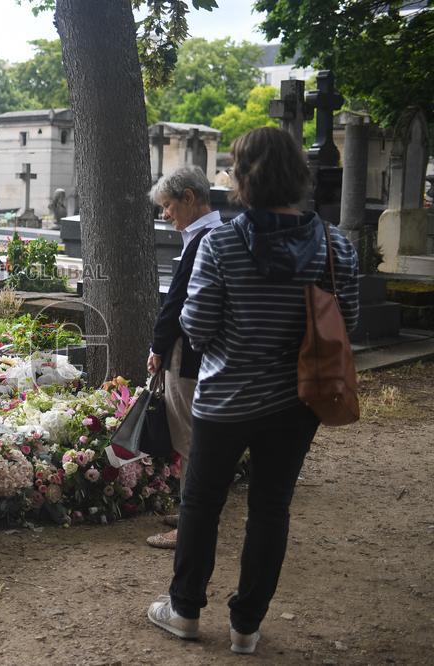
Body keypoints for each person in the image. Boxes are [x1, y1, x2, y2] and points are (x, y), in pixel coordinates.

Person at [146, 127, 359, 655]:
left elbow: (196, 328)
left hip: (225, 399)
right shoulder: (336, 245)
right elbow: (347, 321)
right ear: (298, 175)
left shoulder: (219, 243)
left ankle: (186, 610)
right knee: (271, 508)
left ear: (242, 178)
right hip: (298, 402)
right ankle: (246, 625)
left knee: (201, 502)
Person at [146, 166, 223, 550]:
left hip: (189, 355)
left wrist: (157, 348)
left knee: (190, 438)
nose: (165, 215)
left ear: (190, 198)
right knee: (194, 437)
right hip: (207, 353)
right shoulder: (219, 234)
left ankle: (192, 526)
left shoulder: (204, 240)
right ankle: (191, 510)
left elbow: (178, 303)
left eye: (169, 206)